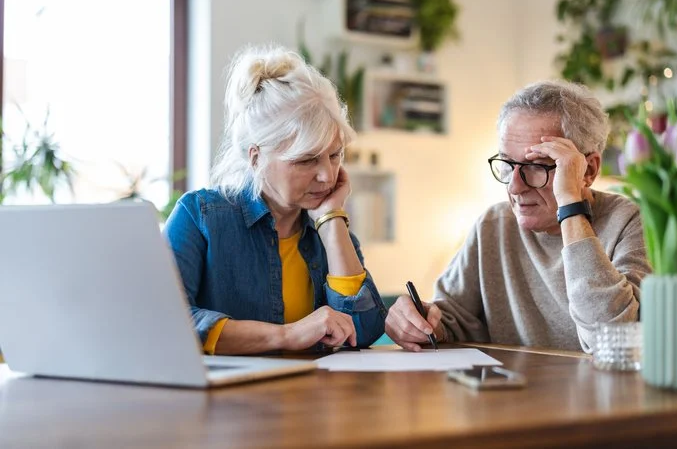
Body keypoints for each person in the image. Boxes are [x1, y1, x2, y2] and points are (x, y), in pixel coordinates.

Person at [385, 80, 651, 353]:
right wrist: (418, 324)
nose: (514, 186)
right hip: (510, 393)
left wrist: (570, 207)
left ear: (588, 170)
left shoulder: (631, 224)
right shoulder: (494, 226)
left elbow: (614, 339)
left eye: (536, 166)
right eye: (507, 164)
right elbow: (451, 320)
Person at [164, 45, 386, 355]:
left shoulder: (329, 227)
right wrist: (286, 335)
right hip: (226, 401)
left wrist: (332, 222)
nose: (327, 175)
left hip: (311, 400)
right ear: (256, 158)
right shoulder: (199, 216)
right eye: (306, 160)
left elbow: (361, 332)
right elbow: (167, 322)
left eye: (335, 155)